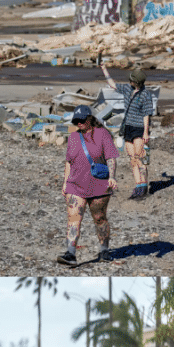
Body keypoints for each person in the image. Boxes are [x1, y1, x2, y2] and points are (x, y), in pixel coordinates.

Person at [60, 104, 119, 266]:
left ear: (89, 118)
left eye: (81, 120)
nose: (78, 123)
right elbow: (68, 162)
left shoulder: (102, 134)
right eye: (76, 121)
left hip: (99, 185)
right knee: (73, 219)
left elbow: (111, 158)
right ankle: (70, 254)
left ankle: (104, 250)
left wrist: (112, 177)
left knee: (100, 218)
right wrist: (65, 183)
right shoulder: (73, 137)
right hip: (75, 185)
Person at [101, 63, 153, 199]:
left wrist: (146, 132)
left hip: (139, 128)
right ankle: (137, 185)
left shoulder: (145, 95)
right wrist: (104, 69)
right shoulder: (127, 89)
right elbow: (113, 84)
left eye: (131, 80)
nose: (129, 81)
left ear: (137, 82)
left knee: (140, 156)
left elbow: (147, 114)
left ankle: (144, 186)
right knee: (132, 158)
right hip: (128, 128)